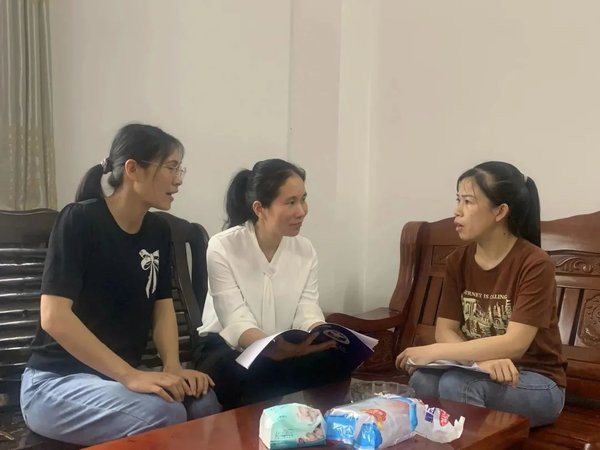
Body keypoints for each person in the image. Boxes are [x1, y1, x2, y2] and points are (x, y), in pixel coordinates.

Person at [20, 124, 221, 446]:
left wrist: (172, 366)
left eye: (179, 169)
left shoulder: (157, 231)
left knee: (203, 403)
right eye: (171, 167)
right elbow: (54, 317)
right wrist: (129, 375)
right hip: (54, 383)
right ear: (132, 169)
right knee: (164, 414)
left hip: (116, 379)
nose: (179, 179)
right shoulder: (79, 220)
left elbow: (162, 307)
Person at [396, 161, 567, 427]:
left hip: (536, 381)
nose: (457, 210)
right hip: (479, 371)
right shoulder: (458, 260)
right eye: (458, 200)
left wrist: (435, 352)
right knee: (423, 380)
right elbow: (445, 329)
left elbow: (515, 344)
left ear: (500, 211)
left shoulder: (534, 263)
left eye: (468, 201)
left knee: (457, 384)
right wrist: (479, 363)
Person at [195, 158, 355, 409]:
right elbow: (235, 320)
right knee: (260, 372)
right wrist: (272, 348)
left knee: (336, 361)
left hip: (286, 345)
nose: (301, 211)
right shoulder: (223, 246)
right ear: (260, 208)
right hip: (227, 347)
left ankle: (324, 426)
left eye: (303, 199)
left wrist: (320, 334)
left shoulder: (305, 249)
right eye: (291, 202)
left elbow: (307, 309)